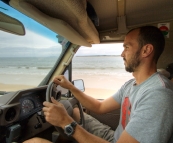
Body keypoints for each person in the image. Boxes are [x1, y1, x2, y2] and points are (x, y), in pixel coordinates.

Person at [24, 26, 173, 143]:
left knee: (35, 142)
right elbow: (99, 107)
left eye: (127, 47)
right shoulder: (131, 85)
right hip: (115, 138)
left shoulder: (157, 95)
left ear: (146, 50)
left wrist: (66, 122)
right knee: (75, 112)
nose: (122, 54)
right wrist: (70, 87)